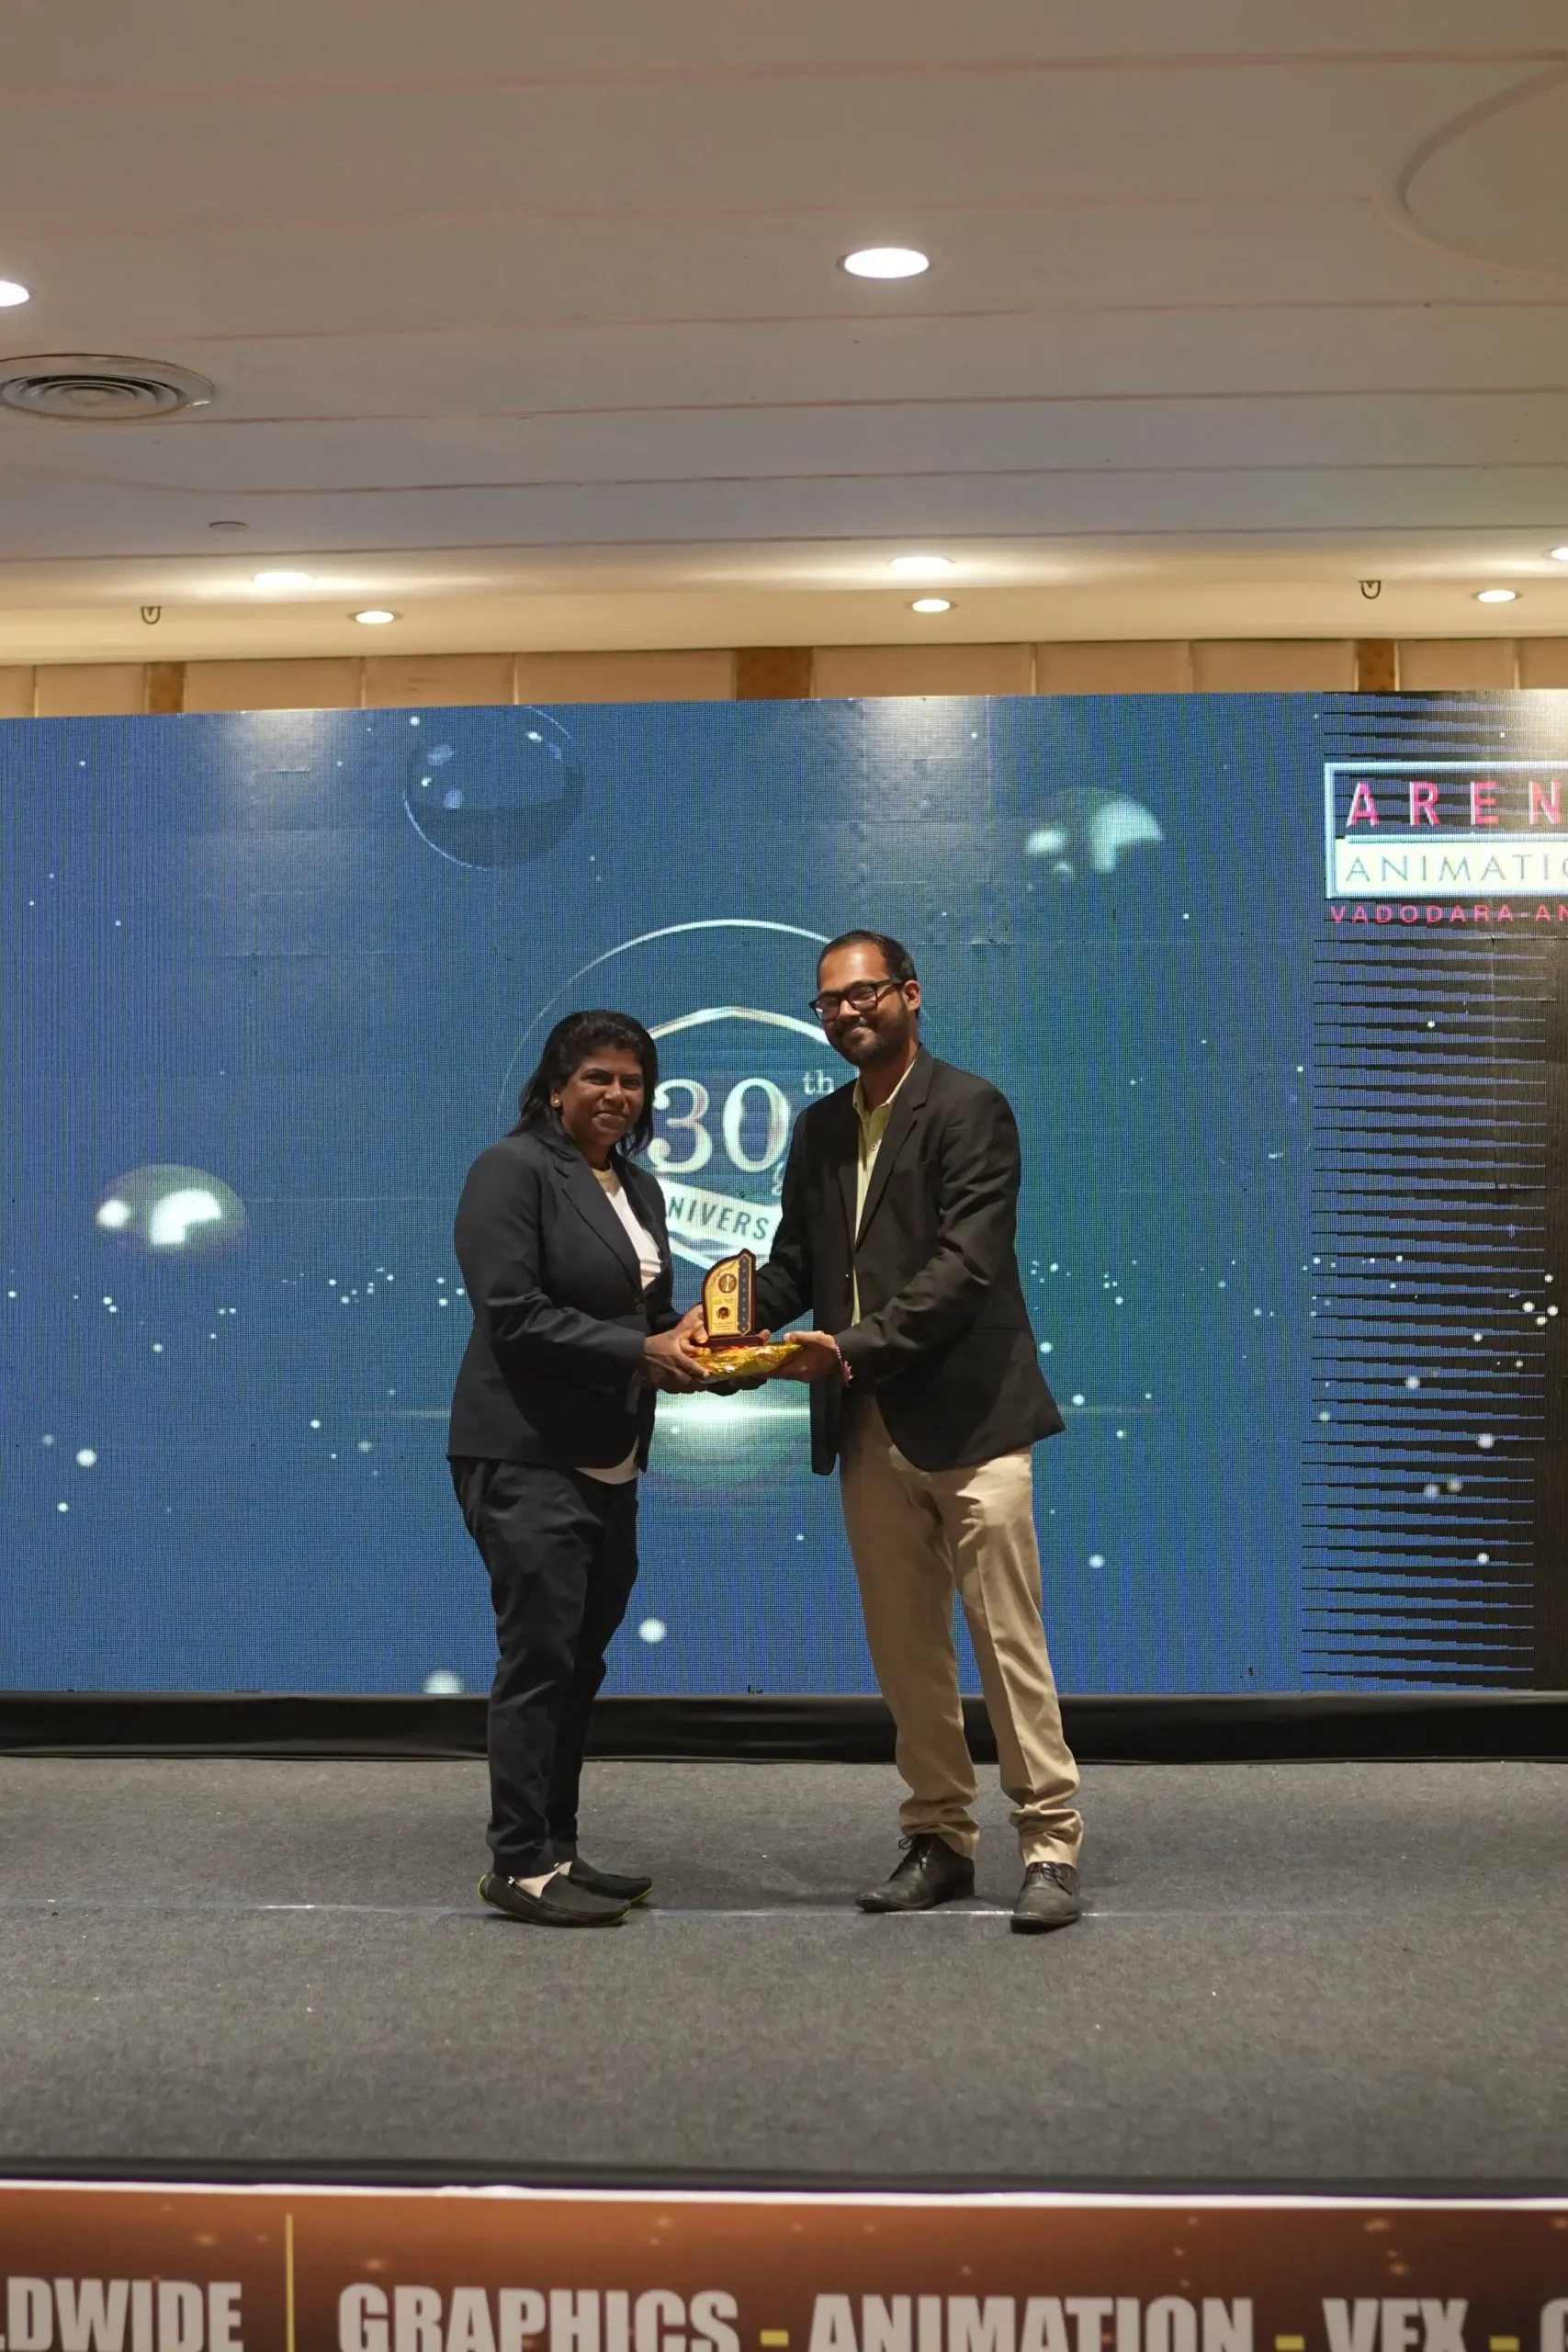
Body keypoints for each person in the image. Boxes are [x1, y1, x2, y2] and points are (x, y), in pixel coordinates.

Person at [745, 930, 1084, 1932]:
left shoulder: (970, 1108)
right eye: (829, 1002)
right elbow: (795, 1266)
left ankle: (1049, 1844)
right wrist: (720, 1323)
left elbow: (965, 1267)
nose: (847, 1013)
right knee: (905, 1650)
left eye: (864, 994)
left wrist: (846, 1349)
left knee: (1007, 1640)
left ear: (910, 994)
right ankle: (939, 1836)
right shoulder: (818, 1129)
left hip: (975, 1420)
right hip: (865, 1426)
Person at [449, 1009, 705, 1928]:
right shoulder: (510, 1169)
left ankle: (556, 1848)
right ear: (556, 1086)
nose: (616, 1094)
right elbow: (510, 1313)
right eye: (597, 1076)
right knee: (539, 1660)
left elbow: (648, 1317)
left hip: (611, 1456)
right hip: (525, 1452)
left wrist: (700, 1346)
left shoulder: (638, 1187)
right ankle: (517, 1863)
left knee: (579, 1663)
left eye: (632, 1081)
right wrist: (642, 1352)